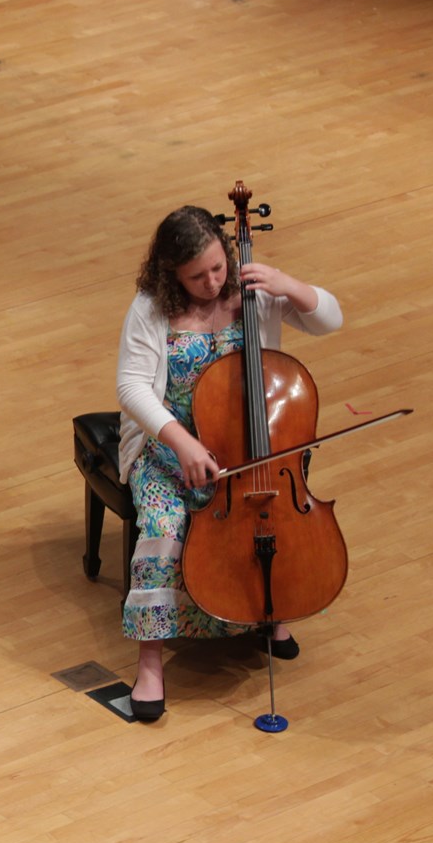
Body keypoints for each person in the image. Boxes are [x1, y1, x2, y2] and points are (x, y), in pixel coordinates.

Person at [115, 205, 341, 721]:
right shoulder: (151, 307)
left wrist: (289, 286)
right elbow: (131, 387)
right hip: (170, 448)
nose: (213, 282)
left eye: (218, 267)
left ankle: (271, 609)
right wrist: (182, 443)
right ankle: (150, 663)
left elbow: (331, 319)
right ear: (171, 273)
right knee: (164, 527)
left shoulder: (252, 291)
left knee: (271, 520)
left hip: (249, 450)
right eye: (197, 276)